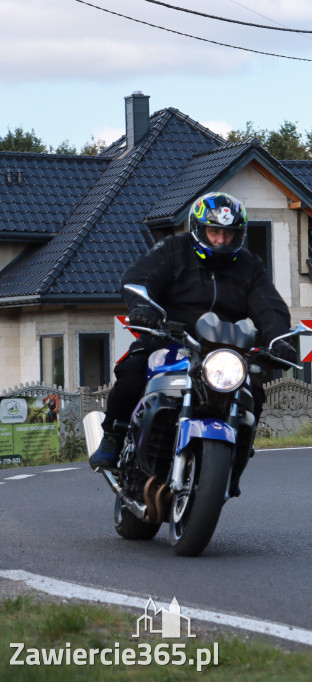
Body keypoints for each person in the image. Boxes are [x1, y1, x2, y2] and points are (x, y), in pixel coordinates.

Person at [89, 192, 295, 497]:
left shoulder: (249, 265)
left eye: (229, 233)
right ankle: (113, 436)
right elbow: (139, 276)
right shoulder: (174, 250)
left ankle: (231, 467)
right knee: (133, 370)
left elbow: (269, 306)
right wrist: (143, 308)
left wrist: (279, 338)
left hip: (224, 350)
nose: (221, 240)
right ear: (199, 229)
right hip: (169, 337)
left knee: (253, 392)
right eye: (215, 232)